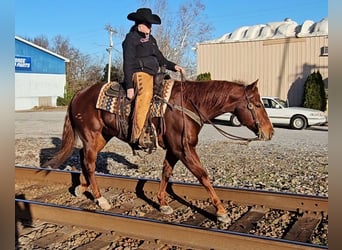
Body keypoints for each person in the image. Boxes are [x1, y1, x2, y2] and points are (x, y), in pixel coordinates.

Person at [122, 7, 184, 149]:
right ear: (139, 24)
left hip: (155, 74)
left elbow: (161, 59)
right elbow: (128, 62)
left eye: (151, 24)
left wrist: (174, 66)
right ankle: (137, 136)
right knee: (146, 94)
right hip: (140, 73)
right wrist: (129, 86)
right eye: (147, 24)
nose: (150, 27)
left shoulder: (152, 40)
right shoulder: (131, 38)